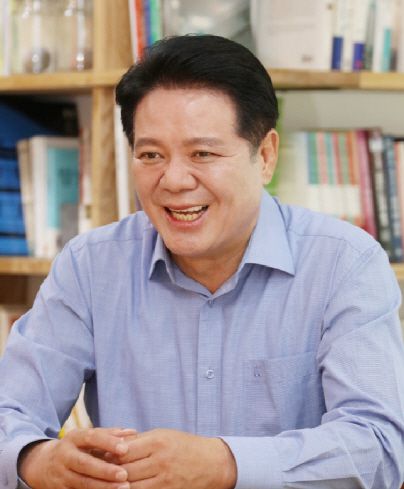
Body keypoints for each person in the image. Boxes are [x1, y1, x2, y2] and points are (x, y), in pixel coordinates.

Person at [0, 34, 403, 489]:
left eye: (203, 154)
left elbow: (378, 447)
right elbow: (9, 414)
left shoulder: (345, 264)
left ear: (265, 156)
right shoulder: (90, 266)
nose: (173, 180)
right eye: (151, 155)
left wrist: (225, 464)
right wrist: (37, 460)